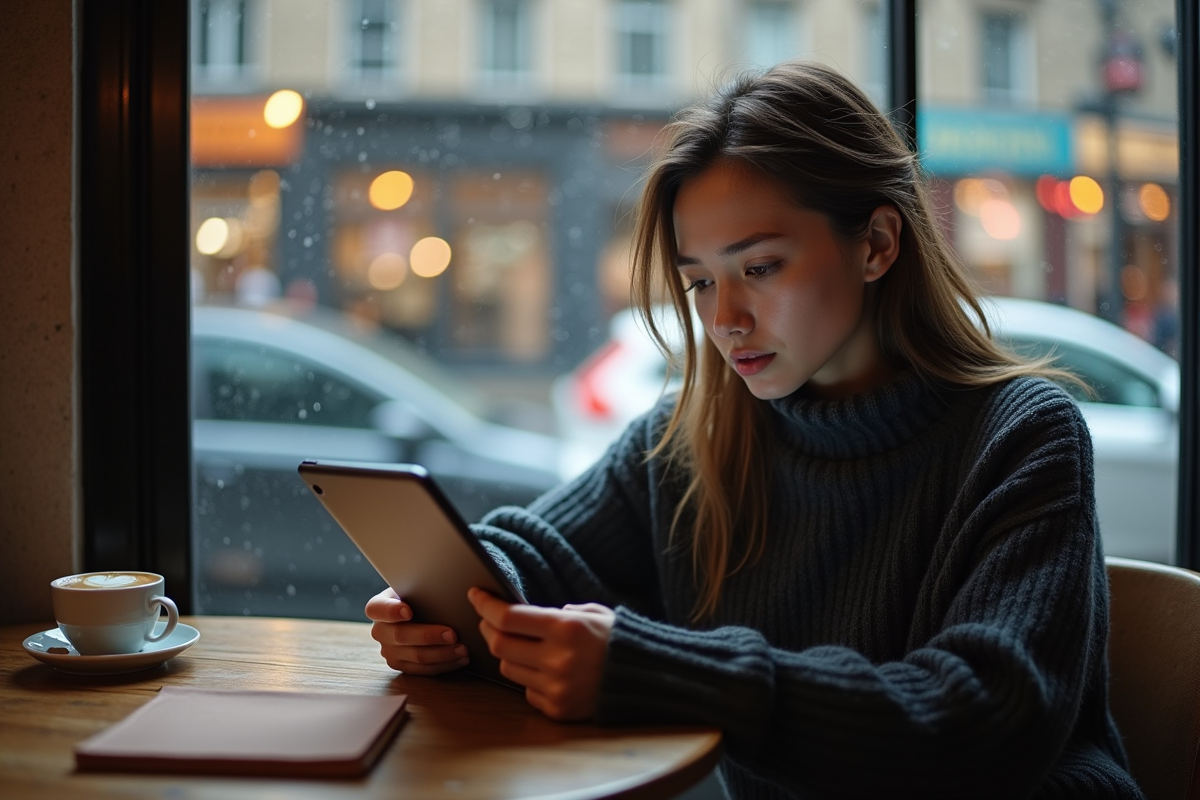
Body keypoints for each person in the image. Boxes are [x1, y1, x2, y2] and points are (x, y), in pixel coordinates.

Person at [365, 61, 1144, 799]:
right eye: (699, 280)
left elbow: (979, 725)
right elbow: (538, 555)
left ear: (876, 243)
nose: (724, 320)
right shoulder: (690, 437)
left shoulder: (1022, 436)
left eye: (761, 268)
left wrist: (661, 669)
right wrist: (447, 608)